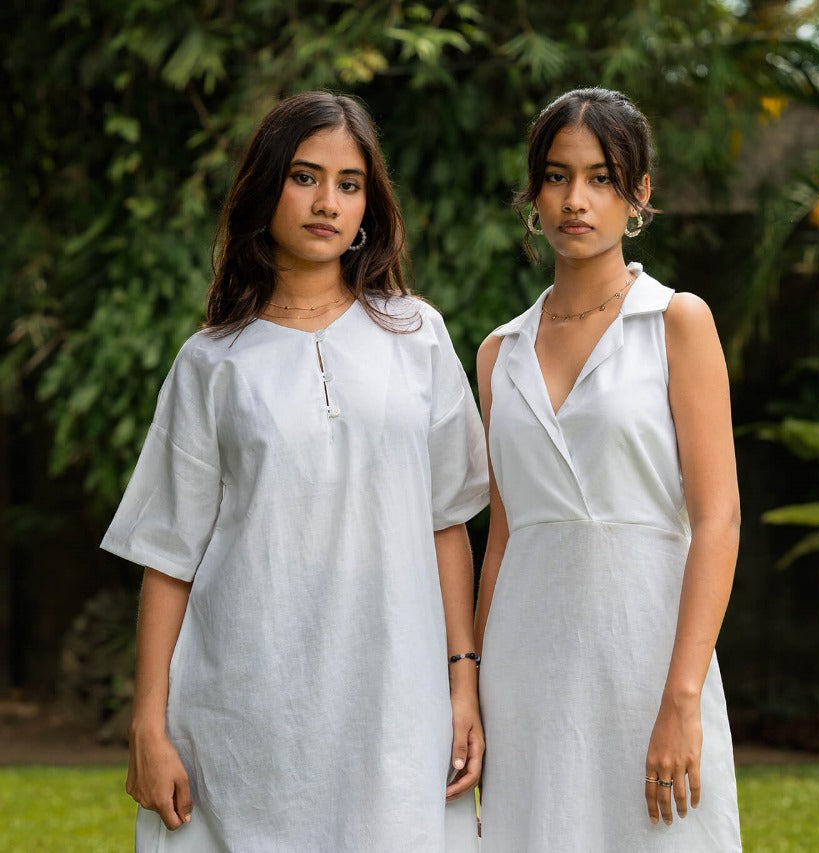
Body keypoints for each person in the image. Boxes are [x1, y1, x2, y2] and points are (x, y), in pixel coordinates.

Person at [101, 91, 488, 851]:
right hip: (244, 706)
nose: (327, 202)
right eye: (305, 177)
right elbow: (169, 555)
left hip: (397, 701)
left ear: (369, 204)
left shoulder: (418, 336)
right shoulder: (211, 361)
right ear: (265, 188)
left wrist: (463, 683)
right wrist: (148, 721)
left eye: (349, 184)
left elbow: (447, 523)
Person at [474, 88, 742, 851]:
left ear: (639, 193)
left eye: (601, 178)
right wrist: (475, 693)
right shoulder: (499, 354)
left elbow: (719, 519)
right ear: (534, 193)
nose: (575, 200)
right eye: (557, 177)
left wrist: (682, 696)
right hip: (524, 677)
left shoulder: (677, 322)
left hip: (647, 664)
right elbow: (502, 538)